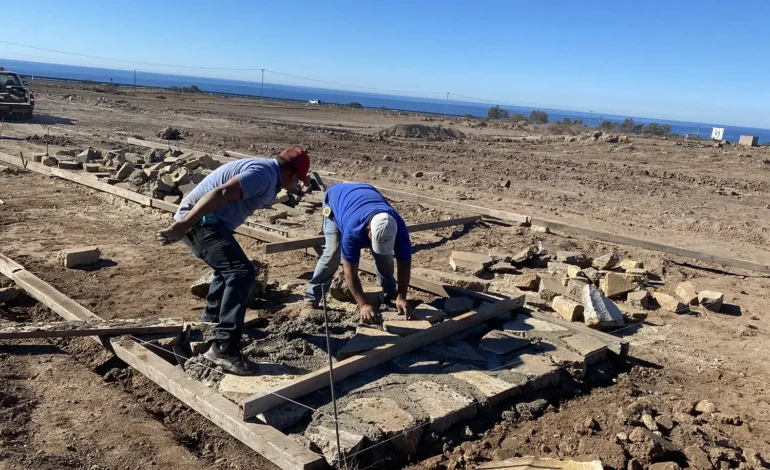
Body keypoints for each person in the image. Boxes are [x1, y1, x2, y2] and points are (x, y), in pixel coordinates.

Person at [156, 147, 310, 375]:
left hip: (209, 222)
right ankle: (224, 348)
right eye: (299, 180)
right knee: (241, 272)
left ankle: (207, 330)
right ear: (294, 174)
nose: (296, 185)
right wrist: (185, 224)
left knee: (226, 271)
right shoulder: (263, 174)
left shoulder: (267, 173)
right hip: (201, 221)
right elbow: (220, 193)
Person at [304, 183, 413, 323]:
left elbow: (404, 264)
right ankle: (311, 299)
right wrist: (363, 304)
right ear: (369, 231)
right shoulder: (353, 230)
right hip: (336, 200)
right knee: (332, 253)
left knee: (384, 258)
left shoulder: (398, 227)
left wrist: (402, 295)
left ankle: (390, 295)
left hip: (365, 192)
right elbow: (350, 271)